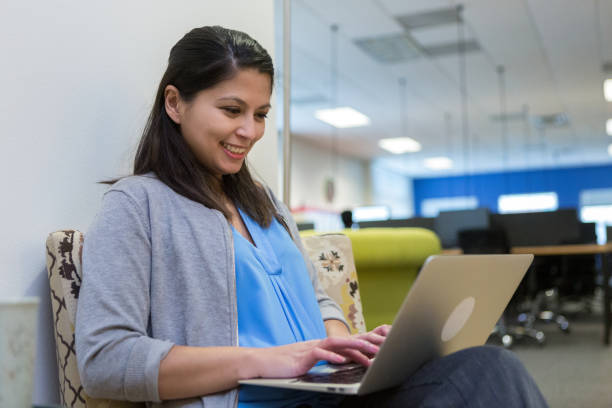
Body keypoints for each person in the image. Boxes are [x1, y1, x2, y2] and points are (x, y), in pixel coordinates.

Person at [75, 26, 548, 408]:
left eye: (260, 114)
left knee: (488, 366)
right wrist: (266, 361)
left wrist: (346, 351)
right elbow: (105, 360)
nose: (249, 131)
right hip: (252, 400)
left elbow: (319, 302)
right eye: (232, 110)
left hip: (326, 395)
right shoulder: (138, 206)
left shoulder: (263, 201)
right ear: (175, 103)